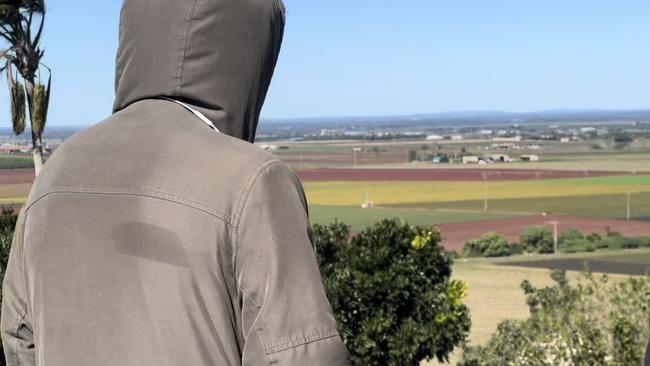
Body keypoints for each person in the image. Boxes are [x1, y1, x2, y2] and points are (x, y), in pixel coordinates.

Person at [0, 0, 350, 364]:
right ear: (252, 53)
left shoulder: (55, 173)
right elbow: (301, 355)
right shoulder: (255, 180)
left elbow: (19, 338)